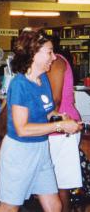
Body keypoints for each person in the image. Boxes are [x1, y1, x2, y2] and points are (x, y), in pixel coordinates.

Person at [0, 30, 82, 212]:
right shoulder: (20, 84)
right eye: (49, 52)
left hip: (41, 150)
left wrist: (62, 119)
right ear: (34, 53)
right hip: (19, 153)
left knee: (54, 206)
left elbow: (49, 110)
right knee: (9, 207)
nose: (54, 57)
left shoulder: (43, 79)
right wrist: (59, 126)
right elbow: (22, 129)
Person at [47, 35, 82, 212]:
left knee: (60, 183)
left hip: (62, 128)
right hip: (57, 127)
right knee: (55, 183)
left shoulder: (56, 62)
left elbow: (55, 99)